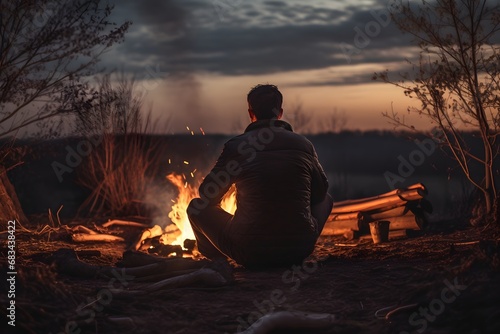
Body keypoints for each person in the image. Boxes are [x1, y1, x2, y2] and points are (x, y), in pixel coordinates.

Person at [187, 84, 333, 268]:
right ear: (280, 112)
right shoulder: (304, 144)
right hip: (298, 251)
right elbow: (320, 194)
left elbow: (207, 194)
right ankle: (296, 241)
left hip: (250, 252)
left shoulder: (238, 146)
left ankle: (217, 258)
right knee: (326, 200)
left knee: (196, 207)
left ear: (251, 113)